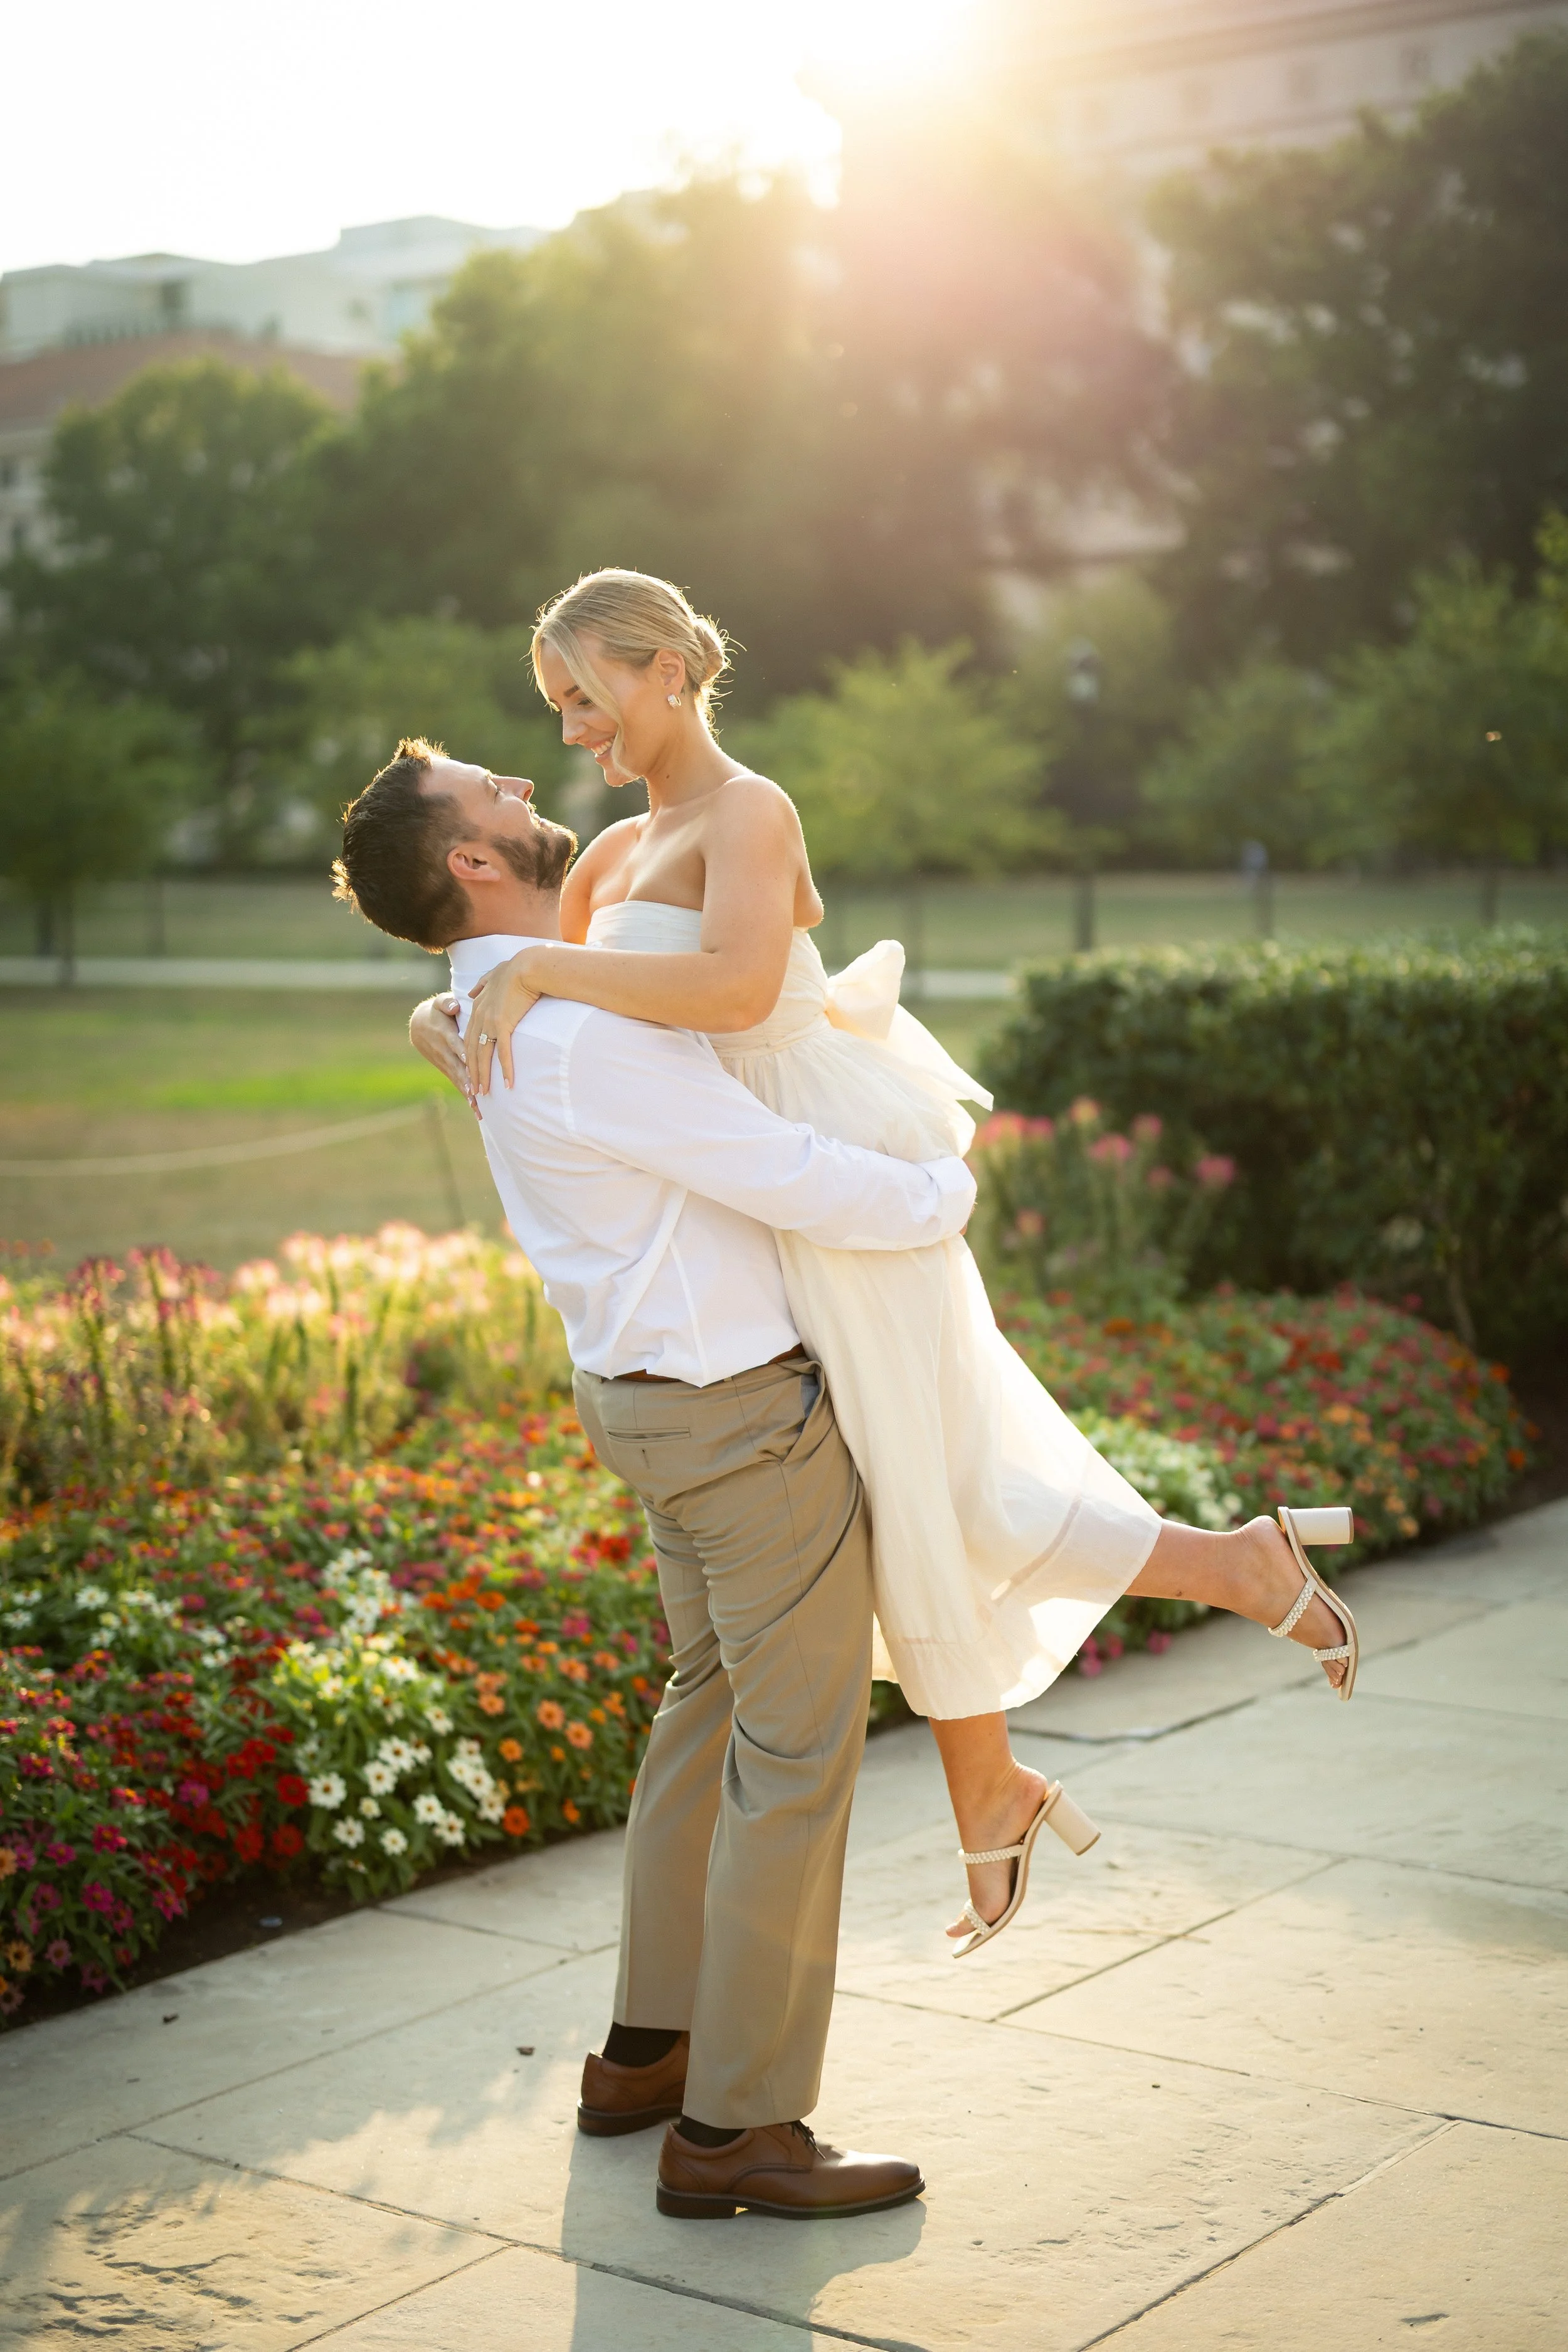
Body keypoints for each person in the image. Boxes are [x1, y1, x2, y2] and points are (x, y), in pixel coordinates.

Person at [408, 569, 1361, 1959]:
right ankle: (1199, 1602)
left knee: (922, 1486)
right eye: (552, 708)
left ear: (667, 666)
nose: (570, 733)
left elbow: (728, 991)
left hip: (835, 1174)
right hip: (746, 1198)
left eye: (582, 696)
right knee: (923, 1491)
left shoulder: (750, 813)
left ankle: (1040, 1745)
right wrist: (441, 1009)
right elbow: (533, 1012)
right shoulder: (608, 859)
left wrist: (541, 978)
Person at [334, 742, 972, 2218]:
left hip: (644, 1406)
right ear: (473, 866)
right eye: (494, 793)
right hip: (736, 1426)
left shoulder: (505, 1003)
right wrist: (945, 1186)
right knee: (795, 1757)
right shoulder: (565, 1026)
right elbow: (784, 1170)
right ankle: (737, 2130)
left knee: (710, 1707)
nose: (524, 788)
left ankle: (646, 2052)